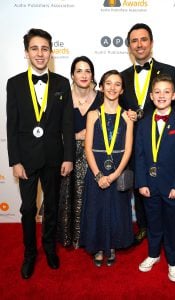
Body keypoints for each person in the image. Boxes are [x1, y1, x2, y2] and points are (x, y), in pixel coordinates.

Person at [6, 28, 74, 279]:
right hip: (26, 159)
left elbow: (67, 124)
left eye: (45, 48)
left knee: (52, 207)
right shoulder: (13, 83)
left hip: (54, 158)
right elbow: (11, 126)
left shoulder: (61, 83)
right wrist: (15, 161)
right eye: (34, 48)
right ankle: (29, 253)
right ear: (26, 52)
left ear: (51, 52)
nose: (40, 53)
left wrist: (68, 156)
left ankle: (49, 248)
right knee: (27, 209)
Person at [120, 23, 175, 245]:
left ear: (151, 43)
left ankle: (168, 231)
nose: (139, 44)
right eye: (134, 41)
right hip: (137, 142)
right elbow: (119, 107)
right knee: (141, 187)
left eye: (143, 39)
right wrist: (126, 115)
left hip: (165, 140)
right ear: (130, 46)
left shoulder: (169, 70)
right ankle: (145, 227)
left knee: (167, 187)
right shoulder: (122, 76)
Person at [134, 74, 175, 282]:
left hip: (171, 187)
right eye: (157, 92)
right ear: (150, 96)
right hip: (149, 185)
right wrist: (141, 182)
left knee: (172, 225)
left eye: (166, 92)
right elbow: (139, 155)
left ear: (174, 95)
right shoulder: (143, 123)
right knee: (153, 222)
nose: (161, 96)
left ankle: (174, 261)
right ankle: (153, 254)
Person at [80, 70, 134, 267]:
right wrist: (98, 175)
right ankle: (97, 246)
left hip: (118, 168)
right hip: (97, 167)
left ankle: (111, 246)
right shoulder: (93, 114)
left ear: (122, 90)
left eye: (117, 84)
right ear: (101, 87)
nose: (112, 87)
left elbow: (128, 149)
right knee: (97, 208)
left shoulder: (127, 117)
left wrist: (114, 175)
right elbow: (87, 147)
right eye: (108, 83)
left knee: (116, 208)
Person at [57, 56, 101, 248]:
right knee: (67, 195)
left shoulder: (102, 96)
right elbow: (52, 127)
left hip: (93, 154)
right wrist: (75, 137)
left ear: (92, 75)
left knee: (89, 196)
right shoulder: (62, 96)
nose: (83, 75)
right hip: (67, 153)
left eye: (88, 71)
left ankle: (88, 236)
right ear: (72, 75)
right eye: (79, 71)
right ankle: (68, 237)